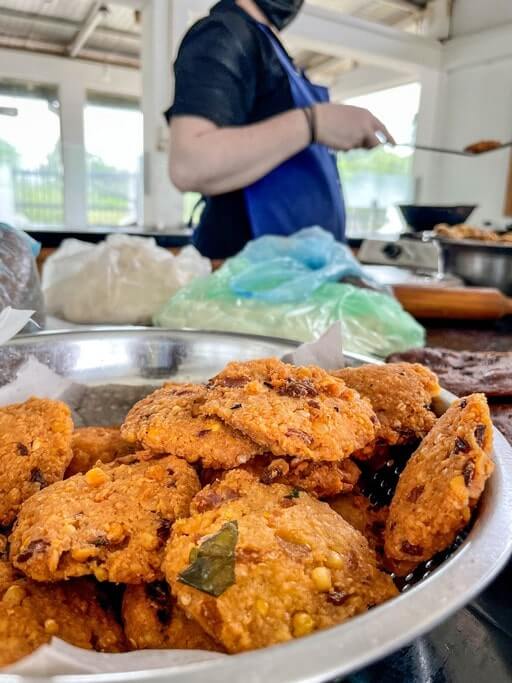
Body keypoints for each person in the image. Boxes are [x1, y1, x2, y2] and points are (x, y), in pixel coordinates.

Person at [165, 0, 394, 259]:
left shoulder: (277, 54)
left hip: (296, 278)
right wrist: (313, 123)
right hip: (249, 283)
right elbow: (189, 165)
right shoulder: (223, 33)